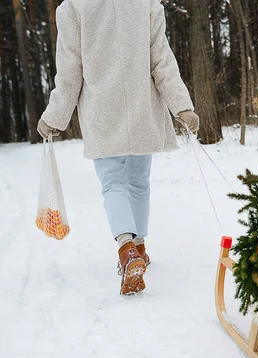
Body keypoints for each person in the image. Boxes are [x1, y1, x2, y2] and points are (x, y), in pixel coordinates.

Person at [37, 0, 200, 296]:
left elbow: (70, 70)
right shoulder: (146, 4)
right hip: (141, 107)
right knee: (138, 182)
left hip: (102, 109)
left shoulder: (73, 8)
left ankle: (127, 250)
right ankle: (139, 248)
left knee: (113, 184)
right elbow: (161, 59)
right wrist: (182, 106)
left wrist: (54, 117)